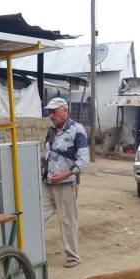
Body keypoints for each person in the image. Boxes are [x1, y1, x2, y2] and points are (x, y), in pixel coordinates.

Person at [41, 97, 89, 268]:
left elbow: (83, 160)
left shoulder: (77, 130)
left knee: (67, 220)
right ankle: (34, 252)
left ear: (65, 111)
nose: (51, 115)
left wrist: (64, 175)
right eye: (49, 112)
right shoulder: (51, 130)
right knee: (37, 216)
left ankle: (73, 257)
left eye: (54, 111)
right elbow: (45, 153)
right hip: (47, 183)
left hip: (66, 183)